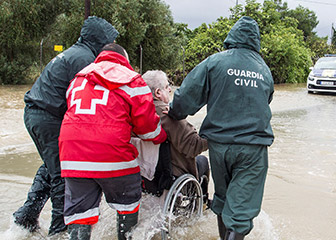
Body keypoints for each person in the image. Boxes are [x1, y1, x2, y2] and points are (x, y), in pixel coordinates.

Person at [167, 16, 274, 240]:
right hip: (252, 148)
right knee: (241, 212)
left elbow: (187, 95)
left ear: (232, 37)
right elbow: (266, 100)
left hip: (219, 147)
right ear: (255, 40)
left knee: (224, 199)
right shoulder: (263, 69)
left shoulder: (215, 62)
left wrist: (175, 113)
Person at [14, 16, 118, 235]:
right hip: (48, 118)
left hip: (37, 114)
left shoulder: (76, 52)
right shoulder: (85, 59)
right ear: (100, 41)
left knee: (51, 168)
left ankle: (26, 218)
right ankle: (59, 233)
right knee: (64, 176)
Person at [59, 43, 167, 240]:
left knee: (80, 213)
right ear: (124, 59)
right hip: (113, 156)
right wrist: (162, 136)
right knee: (128, 202)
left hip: (72, 156)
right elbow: (149, 130)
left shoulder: (78, 78)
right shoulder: (132, 80)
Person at [142, 70, 210, 202]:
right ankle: (202, 202)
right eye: (167, 87)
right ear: (158, 93)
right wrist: (211, 137)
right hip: (171, 178)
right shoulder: (167, 115)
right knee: (203, 161)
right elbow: (194, 146)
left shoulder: (134, 112)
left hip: (145, 177)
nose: (169, 91)